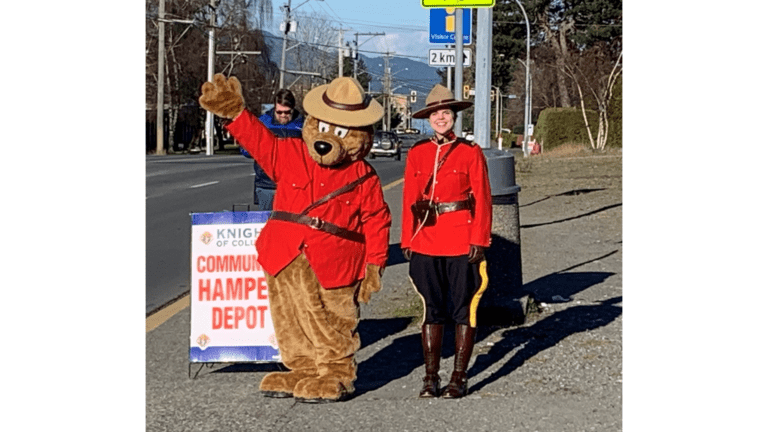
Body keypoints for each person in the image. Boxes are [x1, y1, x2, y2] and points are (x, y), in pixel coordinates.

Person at [400, 84, 492, 399]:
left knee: (463, 309)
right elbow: (409, 199)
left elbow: (482, 198)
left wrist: (479, 238)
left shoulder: (470, 152)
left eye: (446, 112)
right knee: (432, 309)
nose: (441, 118)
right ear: (428, 119)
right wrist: (406, 238)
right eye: (436, 113)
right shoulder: (417, 152)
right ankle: (430, 377)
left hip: (460, 238)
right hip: (425, 238)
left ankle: (459, 376)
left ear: (454, 116)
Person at [240, 89, 304, 210]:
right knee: (267, 223)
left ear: (293, 108)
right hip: (267, 185)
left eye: (287, 112)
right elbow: (245, 150)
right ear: (274, 108)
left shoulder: (303, 125)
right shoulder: (263, 122)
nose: (283, 116)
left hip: (294, 186)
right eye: (279, 112)